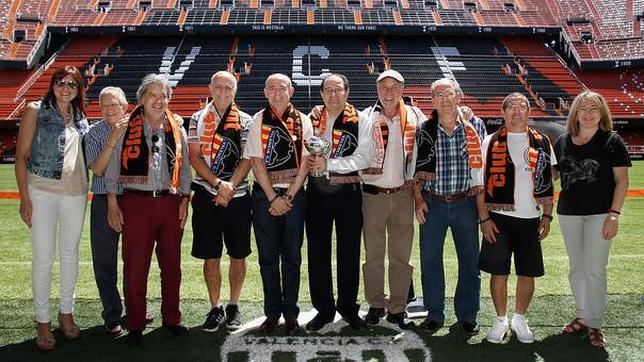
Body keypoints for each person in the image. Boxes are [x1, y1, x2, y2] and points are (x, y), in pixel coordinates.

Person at [105, 74, 192, 346]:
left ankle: (172, 318)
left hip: (170, 202)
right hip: (136, 203)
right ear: (141, 99)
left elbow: (186, 168)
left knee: (172, 266)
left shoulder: (177, 127)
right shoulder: (126, 126)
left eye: (163, 95)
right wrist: (112, 204)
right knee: (135, 266)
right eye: (153, 95)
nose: (158, 100)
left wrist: (185, 202)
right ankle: (135, 323)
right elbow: (112, 170)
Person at [14, 66, 89, 350]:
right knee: (43, 257)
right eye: (61, 82)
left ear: (78, 88)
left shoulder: (81, 117)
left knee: (70, 255)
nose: (66, 87)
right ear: (53, 84)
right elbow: (22, 157)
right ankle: (43, 320)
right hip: (42, 192)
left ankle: (66, 312)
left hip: (76, 194)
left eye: (72, 83)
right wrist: (24, 197)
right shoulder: (35, 110)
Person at [554, 91, 630, 349]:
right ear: (575, 112)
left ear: (602, 113)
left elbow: (622, 182)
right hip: (569, 213)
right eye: (582, 108)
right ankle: (583, 315)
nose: (587, 113)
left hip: (601, 214)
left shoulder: (612, 141)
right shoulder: (563, 141)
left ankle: (595, 323)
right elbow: (551, 174)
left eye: (593, 109)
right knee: (576, 268)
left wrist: (614, 215)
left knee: (594, 268)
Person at [477, 93, 556, 344]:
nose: (517, 111)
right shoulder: (490, 140)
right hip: (498, 218)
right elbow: (479, 184)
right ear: (503, 112)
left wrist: (547, 215)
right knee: (498, 272)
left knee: (527, 272)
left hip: (531, 218)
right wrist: (484, 218)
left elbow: (548, 180)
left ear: (529, 112)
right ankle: (500, 320)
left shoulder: (542, 141)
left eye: (522, 106)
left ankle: (520, 319)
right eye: (511, 107)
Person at [414, 77, 487, 335]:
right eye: (439, 95)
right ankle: (435, 313)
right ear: (432, 100)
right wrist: (418, 199)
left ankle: (467, 314)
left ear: (459, 96)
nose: (445, 99)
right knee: (430, 261)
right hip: (432, 203)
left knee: (470, 261)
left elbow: (483, 168)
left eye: (449, 94)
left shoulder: (475, 125)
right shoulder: (424, 129)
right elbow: (414, 169)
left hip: (464, 203)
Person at [243, 73, 312, 335]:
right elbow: (256, 161)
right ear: (264, 92)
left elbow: (306, 161)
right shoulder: (258, 120)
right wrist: (273, 197)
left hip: (295, 196)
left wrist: (289, 196)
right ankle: (272, 313)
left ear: (291, 91)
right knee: (268, 259)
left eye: (282, 87)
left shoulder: (303, 120)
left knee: (293, 258)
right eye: (271, 88)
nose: (277, 92)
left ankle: (291, 314)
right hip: (264, 198)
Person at [305, 74, 371, 331]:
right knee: (317, 253)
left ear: (347, 92)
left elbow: (364, 157)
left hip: (348, 192)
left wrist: (329, 164)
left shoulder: (362, 120)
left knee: (349, 252)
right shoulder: (310, 120)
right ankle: (323, 309)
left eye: (338, 89)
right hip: (317, 193)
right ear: (321, 94)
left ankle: (348, 307)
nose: (333, 94)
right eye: (328, 90)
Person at [188, 71, 253, 332]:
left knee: (238, 254)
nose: (223, 91)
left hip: (237, 197)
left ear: (235, 91)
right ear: (210, 88)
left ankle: (233, 304)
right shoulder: (197, 118)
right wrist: (218, 184)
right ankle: (215, 307)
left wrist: (230, 186)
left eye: (229, 87)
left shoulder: (246, 120)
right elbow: (194, 156)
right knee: (210, 255)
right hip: (207, 195)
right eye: (218, 87)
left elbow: (248, 159)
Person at [360, 69, 425, 330]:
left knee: (401, 256)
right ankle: (375, 304)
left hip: (403, 194)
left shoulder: (416, 116)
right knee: (373, 256)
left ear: (402, 89)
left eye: (394, 87)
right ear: (377, 89)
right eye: (383, 87)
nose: (388, 92)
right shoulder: (365, 117)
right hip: (372, 196)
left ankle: (398, 308)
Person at [84, 86, 129, 337]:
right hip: (103, 199)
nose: (110, 110)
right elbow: (99, 170)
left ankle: (135, 307)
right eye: (104, 106)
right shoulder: (93, 133)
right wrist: (112, 140)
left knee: (135, 259)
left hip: (134, 198)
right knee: (104, 260)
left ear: (125, 106)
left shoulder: (137, 128)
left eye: (114, 105)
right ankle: (112, 314)